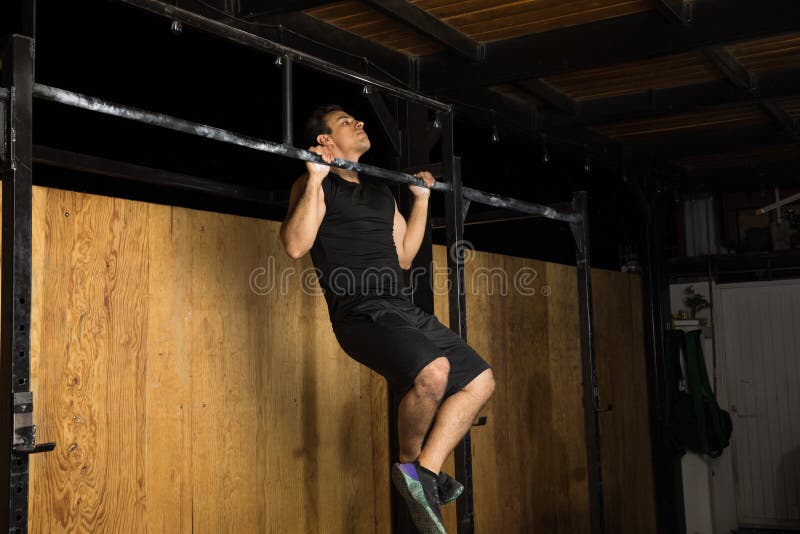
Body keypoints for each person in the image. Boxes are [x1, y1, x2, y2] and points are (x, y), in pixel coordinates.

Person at [280, 105, 495, 533]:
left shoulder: (379, 191)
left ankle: (425, 474)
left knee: (480, 381)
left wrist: (420, 200)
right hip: (361, 312)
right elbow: (295, 246)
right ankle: (411, 466)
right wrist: (317, 180)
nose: (358, 123)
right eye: (345, 123)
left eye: (356, 119)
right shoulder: (314, 185)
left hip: (401, 308)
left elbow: (404, 255)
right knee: (434, 373)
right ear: (324, 141)